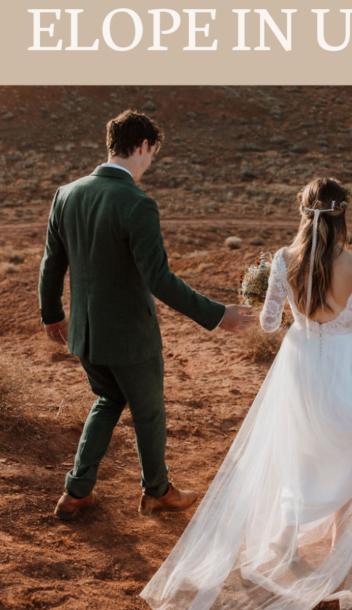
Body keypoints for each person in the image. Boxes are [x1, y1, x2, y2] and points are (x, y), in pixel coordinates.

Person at [141, 176, 352, 610]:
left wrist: (270, 296)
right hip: (349, 368)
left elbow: (268, 323)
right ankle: (335, 548)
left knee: (299, 450)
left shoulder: (284, 262)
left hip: (301, 364)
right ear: (343, 212)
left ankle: (283, 543)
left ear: (302, 210)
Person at [38, 109, 254, 522]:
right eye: (151, 153)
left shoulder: (66, 194)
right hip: (130, 337)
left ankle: (77, 491)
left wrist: (52, 314)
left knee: (108, 398)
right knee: (149, 413)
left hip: (83, 333)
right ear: (141, 146)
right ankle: (156, 492)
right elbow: (159, 279)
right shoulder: (137, 204)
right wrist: (216, 315)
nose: (150, 162)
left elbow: (52, 263)